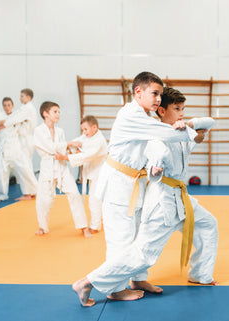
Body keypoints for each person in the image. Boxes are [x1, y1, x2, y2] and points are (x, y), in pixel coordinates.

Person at [72, 72, 202, 305]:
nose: (158, 99)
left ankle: (138, 280)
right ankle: (111, 288)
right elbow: (166, 133)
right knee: (120, 240)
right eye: (154, 93)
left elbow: (157, 144)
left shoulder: (145, 117)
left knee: (137, 238)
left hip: (136, 185)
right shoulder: (131, 115)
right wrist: (189, 127)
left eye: (161, 95)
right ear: (138, 92)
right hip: (118, 186)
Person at [33, 101, 91, 238]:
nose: (58, 114)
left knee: (74, 194)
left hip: (61, 167)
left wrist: (72, 151)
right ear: (45, 114)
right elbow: (50, 147)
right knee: (44, 200)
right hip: (47, 166)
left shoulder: (60, 131)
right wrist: (70, 143)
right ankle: (43, 226)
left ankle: (83, 226)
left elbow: (61, 148)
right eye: (55, 111)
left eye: (59, 112)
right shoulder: (38, 131)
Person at [55, 115, 107, 233]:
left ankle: (95, 226)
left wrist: (65, 156)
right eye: (83, 129)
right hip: (92, 172)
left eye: (86, 129)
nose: (84, 132)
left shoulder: (99, 141)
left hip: (99, 173)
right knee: (99, 199)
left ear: (94, 127)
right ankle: (102, 220)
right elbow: (78, 142)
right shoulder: (87, 136)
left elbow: (86, 156)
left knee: (94, 200)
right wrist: (68, 146)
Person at [0, 97, 38, 202]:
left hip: (16, 146)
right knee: (0, 173)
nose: (7, 107)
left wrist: (0, 127)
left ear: (12, 106)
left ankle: (34, 192)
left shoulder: (17, 115)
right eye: (5, 105)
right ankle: (2, 196)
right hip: (2, 147)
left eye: (9, 105)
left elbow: (25, 126)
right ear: (3, 106)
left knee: (25, 170)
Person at [0, 88, 38, 200]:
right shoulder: (27, 108)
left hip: (24, 140)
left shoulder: (27, 108)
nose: (20, 98)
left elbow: (13, 119)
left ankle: (28, 193)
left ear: (28, 97)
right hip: (26, 139)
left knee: (24, 167)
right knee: (26, 166)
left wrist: (0, 123)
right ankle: (32, 191)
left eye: (22, 96)